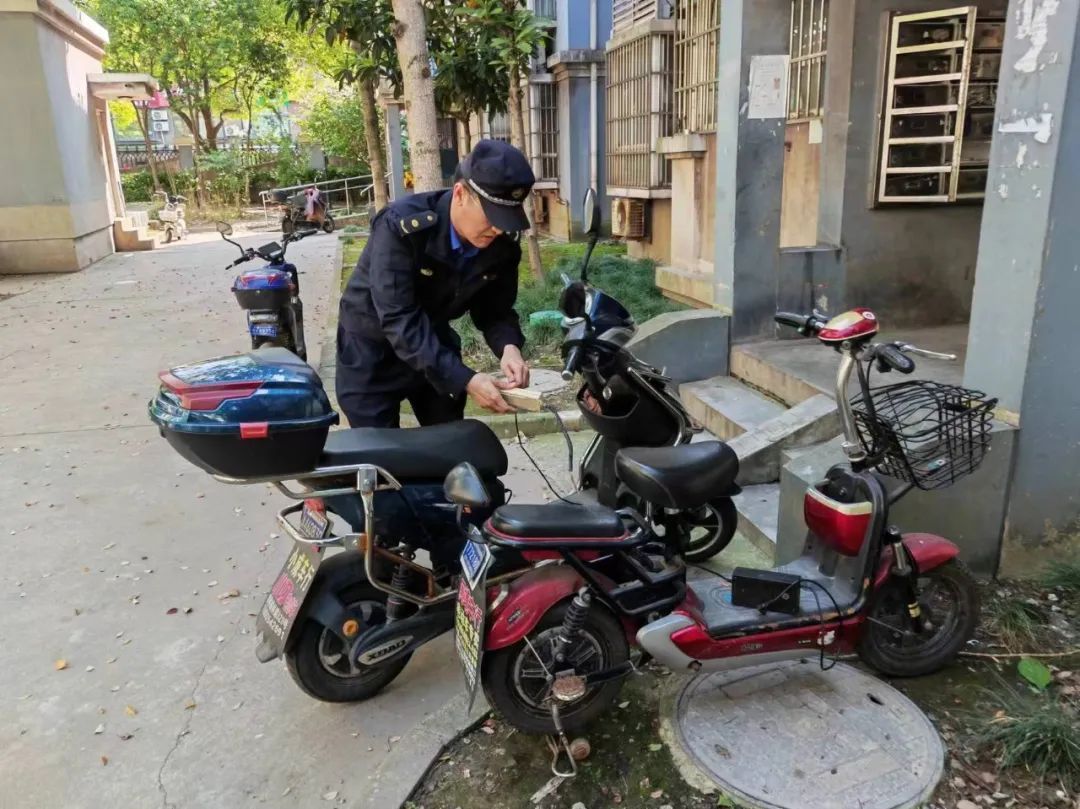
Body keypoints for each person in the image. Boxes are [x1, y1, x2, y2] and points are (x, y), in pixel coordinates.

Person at [336, 140, 535, 428]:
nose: (500, 228)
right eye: (492, 217)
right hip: (372, 347)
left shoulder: (501, 246)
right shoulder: (401, 227)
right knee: (377, 456)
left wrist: (509, 347)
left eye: (507, 219)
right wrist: (465, 378)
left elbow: (495, 310)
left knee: (449, 444)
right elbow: (398, 318)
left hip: (433, 340)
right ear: (460, 194)